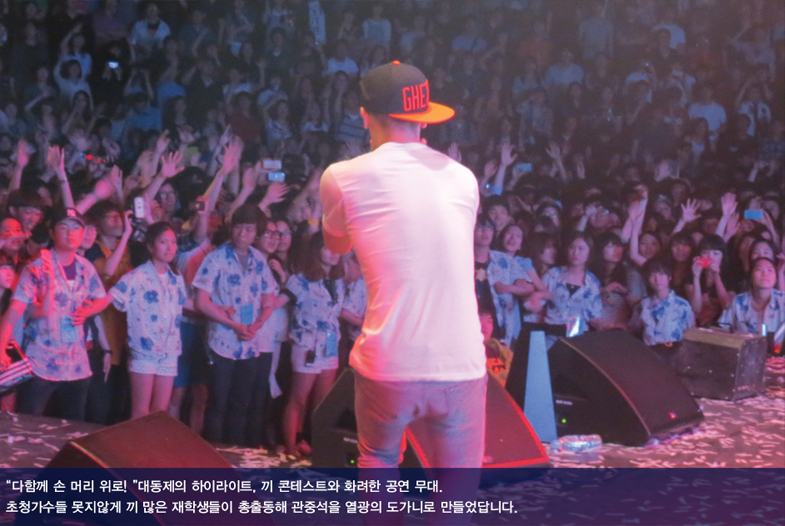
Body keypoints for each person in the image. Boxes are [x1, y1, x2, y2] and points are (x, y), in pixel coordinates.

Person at [320, 62, 487, 472]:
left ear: (364, 116)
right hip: (460, 361)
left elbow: (335, 246)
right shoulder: (464, 178)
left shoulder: (342, 176)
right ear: (423, 117)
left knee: (378, 460)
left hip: (389, 361)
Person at [0, 209, 107, 421]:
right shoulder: (37, 268)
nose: (71, 233)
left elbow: (101, 298)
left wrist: (89, 310)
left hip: (76, 363)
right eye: (64, 227)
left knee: (73, 426)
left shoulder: (86, 267)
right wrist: (1, 346)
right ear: (52, 233)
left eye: (76, 228)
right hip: (41, 360)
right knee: (28, 423)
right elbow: (15, 309)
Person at [192, 204, 278, 446]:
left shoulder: (259, 259)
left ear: (256, 233)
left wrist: (257, 324)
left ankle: (237, 457)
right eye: (239, 227)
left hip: (250, 341)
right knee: (218, 402)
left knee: (242, 403)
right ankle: (214, 455)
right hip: (222, 341)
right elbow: (201, 302)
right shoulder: (216, 258)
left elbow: (269, 298)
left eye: (249, 229)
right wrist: (232, 324)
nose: (242, 233)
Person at [105, 222, 188, 419]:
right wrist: (88, 307)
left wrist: (214, 308)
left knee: (159, 412)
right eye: (163, 242)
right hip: (144, 351)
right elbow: (110, 297)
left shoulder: (176, 277)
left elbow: (183, 302)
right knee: (141, 412)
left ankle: (153, 441)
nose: (169, 247)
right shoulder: (137, 276)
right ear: (151, 246)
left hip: (169, 351)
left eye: (173, 242)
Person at [719, 257, 785, 348]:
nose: (765, 273)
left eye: (770, 270)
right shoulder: (738, 301)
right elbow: (723, 332)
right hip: (744, 353)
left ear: (776, 277)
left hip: (778, 355)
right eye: (759, 269)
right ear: (751, 276)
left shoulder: (783, 301)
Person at [630, 258, 696, 345]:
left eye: (661, 274)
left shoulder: (683, 305)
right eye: (652, 275)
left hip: (675, 350)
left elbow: (692, 334)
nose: (657, 279)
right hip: (649, 350)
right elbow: (633, 329)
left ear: (669, 277)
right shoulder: (643, 304)